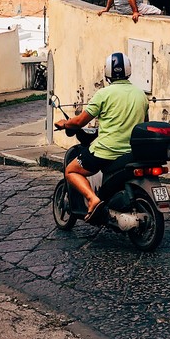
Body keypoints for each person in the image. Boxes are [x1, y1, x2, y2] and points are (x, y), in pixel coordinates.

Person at [54, 52, 148, 222]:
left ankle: (92, 199)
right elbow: (143, 123)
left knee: (71, 170)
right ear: (129, 71)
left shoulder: (103, 94)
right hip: (131, 152)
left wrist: (65, 124)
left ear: (107, 73)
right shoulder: (141, 95)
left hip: (106, 151)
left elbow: (80, 122)